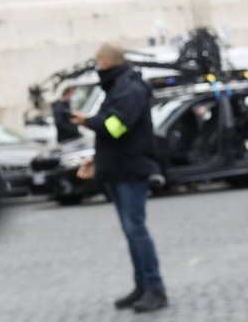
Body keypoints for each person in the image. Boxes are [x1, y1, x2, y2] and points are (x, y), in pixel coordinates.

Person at [71, 43, 168, 313]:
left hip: (131, 171)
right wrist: (96, 158)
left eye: (97, 62)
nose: (96, 67)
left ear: (105, 62)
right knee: (131, 232)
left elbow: (116, 127)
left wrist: (86, 121)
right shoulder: (118, 86)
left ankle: (154, 288)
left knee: (136, 231)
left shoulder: (129, 88)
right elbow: (115, 133)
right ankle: (142, 285)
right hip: (118, 168)